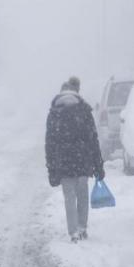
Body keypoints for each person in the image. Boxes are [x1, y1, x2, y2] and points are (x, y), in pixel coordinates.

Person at [46, 76, 105, 243]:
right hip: (82, 159)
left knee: (69, 197)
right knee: (82, 194)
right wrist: (98, 164)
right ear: (77, 91)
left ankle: (73, 232)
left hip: (63, 160)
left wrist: (51, 168)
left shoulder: (54, 112)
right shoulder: (84, 110)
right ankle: (82, 227)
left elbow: (49, 143)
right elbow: (93, 138)